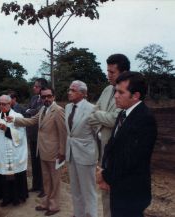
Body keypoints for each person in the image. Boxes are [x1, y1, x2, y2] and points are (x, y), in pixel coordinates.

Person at [96, 72, 157, 217]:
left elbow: (131, 159)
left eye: (120, 92)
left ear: (135, 95)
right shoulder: (123, 114)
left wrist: (105, 175)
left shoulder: (144, 119)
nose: (115, 96)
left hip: (131, 193)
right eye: (115, 91)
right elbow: (112, 146)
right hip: (118, 187)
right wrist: (104, 171)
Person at [8, 87, 67, 216]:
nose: (46, 99)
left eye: (49, 96)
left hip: (55, 153)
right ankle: (46, 203)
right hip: (43, 151)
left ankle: (54, 205)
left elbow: (63, 133)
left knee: (55, 181)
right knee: (46, 180)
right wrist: (14, 120)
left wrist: (62, 152)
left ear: (54, 96)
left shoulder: (58, 110)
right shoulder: (43, 109)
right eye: (43, 96)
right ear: (40, 98)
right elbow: (31, 121)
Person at [88, 53, 130, 217]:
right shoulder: (107, 90)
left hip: (117, 155)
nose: (108, 75)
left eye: (112, 72)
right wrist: (102, 116)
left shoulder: (129, 93)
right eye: (108, 71)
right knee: (105, 196)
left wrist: (100, 115)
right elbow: (92, 114)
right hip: (102, 152)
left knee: (117, 198)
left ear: (124, 72)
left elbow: (115, 119)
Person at [0, 95, 28, 207]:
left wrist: (6, 129)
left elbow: (21, 135)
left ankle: (17, 198)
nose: (1, 106)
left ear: (10, 104)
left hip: (14, 151)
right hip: (1, 151)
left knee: (14, 174)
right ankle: (5, 197)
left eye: (4, 104)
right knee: (3, 175)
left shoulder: (17, 116)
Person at [65, 80, 98, 217]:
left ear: (83, 93)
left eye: (73, 90)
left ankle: (91, 214)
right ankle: (79, 214)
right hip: (71, 153)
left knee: (88, 191)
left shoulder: (92, 108)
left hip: (86, 154)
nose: (69, 92)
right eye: (69, 89)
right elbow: (69, 133)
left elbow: (98, 133)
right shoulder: (67, 107)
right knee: (75, 189)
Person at [24, 78, 48, 197]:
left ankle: (44, 187)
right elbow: (27, 110)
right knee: (34, 162)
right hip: (32, 135)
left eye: (36, 86)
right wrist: (31, 111)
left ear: (42, 88)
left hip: (42, 136)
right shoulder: (34, 98)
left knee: (42, 163)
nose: (34, 88)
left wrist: (30, 111)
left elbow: (38, 112)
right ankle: (36, 185)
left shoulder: (46, 99)